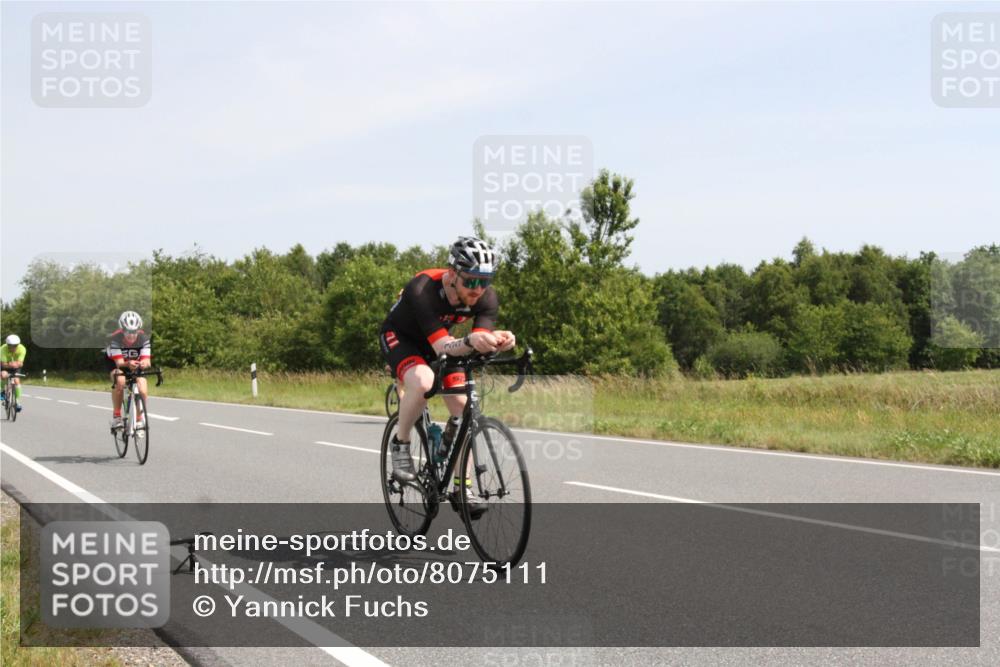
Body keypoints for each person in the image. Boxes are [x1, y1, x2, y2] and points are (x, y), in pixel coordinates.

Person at [378, 237, 516, 510]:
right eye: (472, 281)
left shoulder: (486, 297)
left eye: (484, 281)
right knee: (422, 380)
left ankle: (461, 489)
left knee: (464, 408)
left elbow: (477, 338)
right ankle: (401, 444)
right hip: (401, 338)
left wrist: (497, 340)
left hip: (441, 344)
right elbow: (444, 346)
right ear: (452, 274)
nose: (478, 289)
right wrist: (469, 343)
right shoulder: (422, 288)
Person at [105, 311, 152, 431]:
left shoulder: (143, 339)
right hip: (118, 365)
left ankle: (139, 418)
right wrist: (128, 363)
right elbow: (120, 363)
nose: (131, 335)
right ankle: (117, 417)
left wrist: (143, 363)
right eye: (128, 332)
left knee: (142, 386)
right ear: (122, 330)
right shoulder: (115, 339)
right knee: (120, 380)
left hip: (135, 365)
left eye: (134, 332)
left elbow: (147, 361)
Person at [1, 334, 27, 412]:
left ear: (18, 344)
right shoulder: (2, 349)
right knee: (3, 375)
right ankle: (2, 391)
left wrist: (15, 364)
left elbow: (20, 363)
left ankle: (18, 402)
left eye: (15, 345)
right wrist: (12, 364)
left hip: (15, 367)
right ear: (7, 345)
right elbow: (3, 364)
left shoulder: (22, 349)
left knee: (16, 380)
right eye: (11, 345)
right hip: (4, 366)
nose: (13, 347)